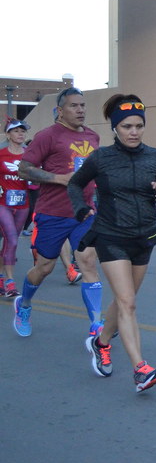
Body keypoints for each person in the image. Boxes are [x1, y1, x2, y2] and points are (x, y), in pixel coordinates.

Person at [69, 94, 156, 392]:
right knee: (128, 302)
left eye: (139, 126)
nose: (134, 132)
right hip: (111, 237)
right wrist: (81, 209)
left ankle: (101, 342)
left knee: (122, 300)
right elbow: (76, 183)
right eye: (127, 126)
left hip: (144, 238)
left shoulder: (155, 157)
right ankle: (141, 369)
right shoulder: (101, 158)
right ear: (115, 128)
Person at [15, 87, 103, 338]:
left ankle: (96, 324)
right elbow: (24, 169)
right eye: (74, 106)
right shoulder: (48, 136)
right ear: (60, 110)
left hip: (84, 213)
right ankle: (25, 304)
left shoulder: (93, 137)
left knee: (87, 261)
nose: (80, 110)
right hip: (52, 212)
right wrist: (59, 178)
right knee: (44, 267)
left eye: (83, 105)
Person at [0, 119, 31, 297]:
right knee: (11, 239)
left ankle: (1, 278)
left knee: (10, 242)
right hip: (3, 203)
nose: (20, 134)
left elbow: (36, 178)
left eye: (23, 131)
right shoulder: (1, 154)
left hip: (22, 204)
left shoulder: (30, 155)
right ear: (8, 134)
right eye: (16, 131)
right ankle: (10, 282)